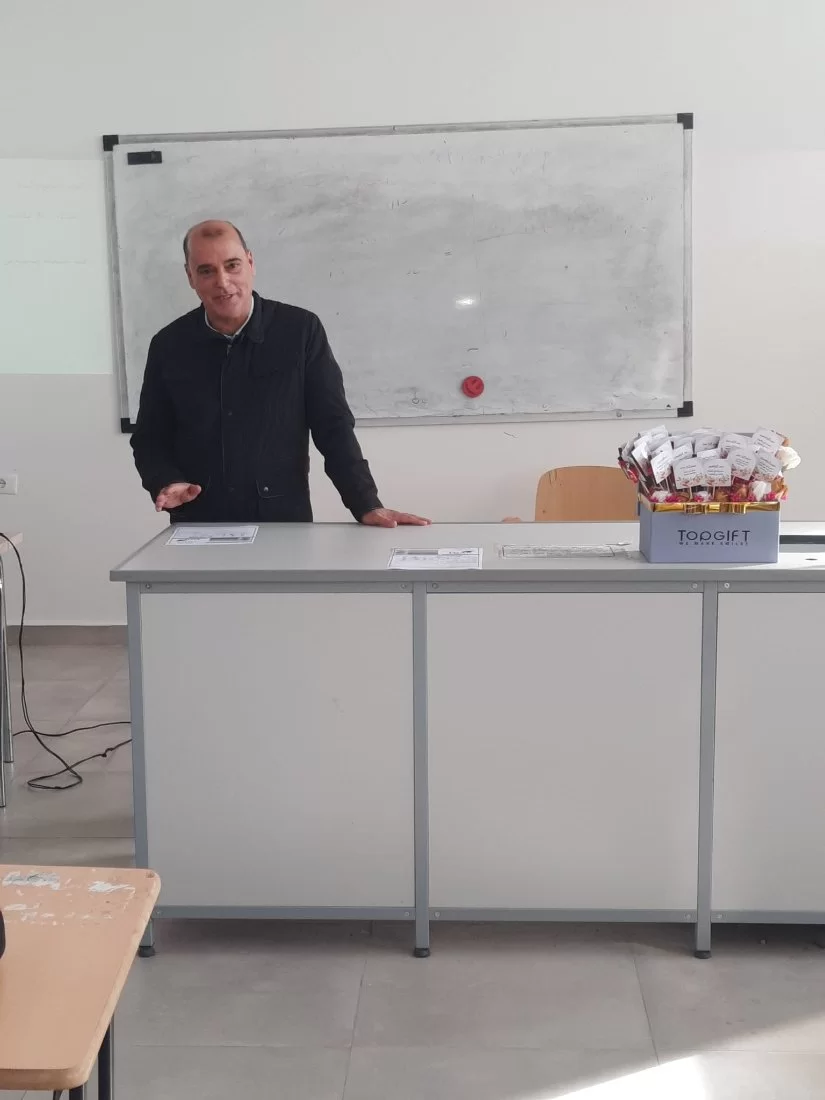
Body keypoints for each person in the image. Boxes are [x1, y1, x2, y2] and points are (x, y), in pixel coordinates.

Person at [130, 220, 430, 528]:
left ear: (250, 263)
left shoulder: (300, 331)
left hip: (283, 522)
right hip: (198, 522)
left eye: (232, 265)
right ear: (190, 277)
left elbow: (333, 426)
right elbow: (150, 437)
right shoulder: (169, 345)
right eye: (206, 271)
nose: (223, 281)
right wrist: (166, 480)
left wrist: (365, 503)